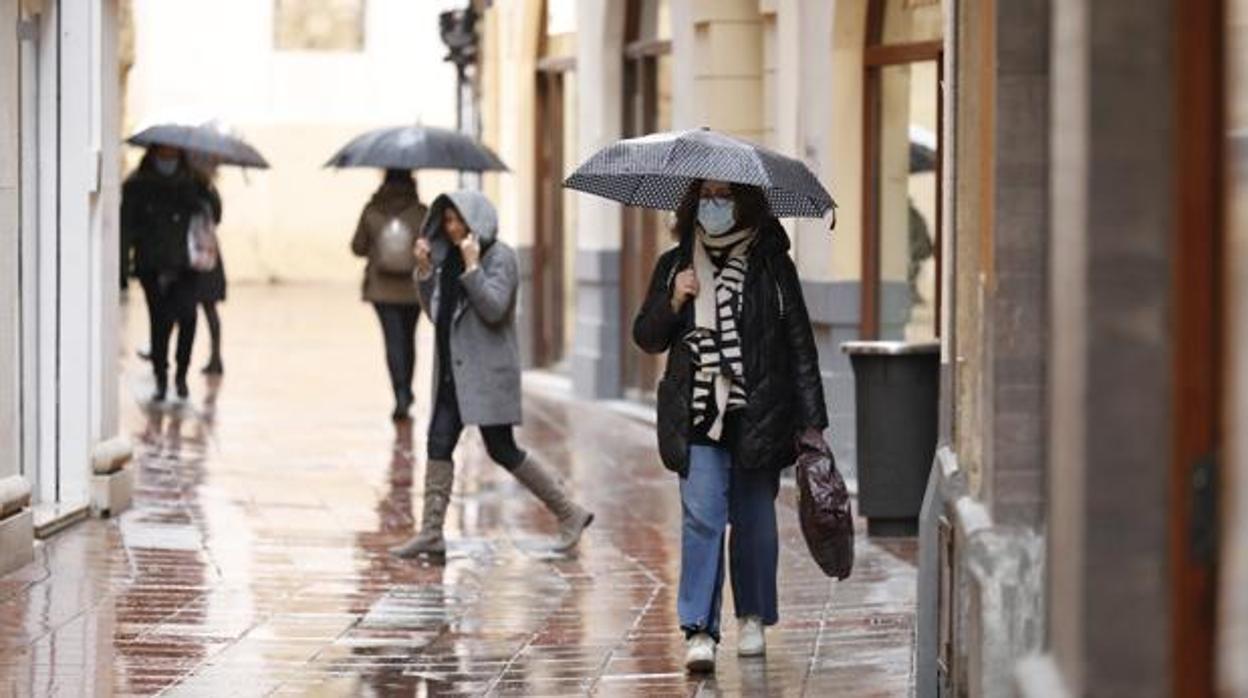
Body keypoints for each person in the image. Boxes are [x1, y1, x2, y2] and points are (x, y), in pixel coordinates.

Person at [632, 179, 828, 673]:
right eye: (706, 196)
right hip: (696, 416)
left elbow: (800, 345)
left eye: (724, 197)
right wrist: (673, 300)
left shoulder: (772, 265)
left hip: (758, 412)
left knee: (755, 522)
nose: (713, 206)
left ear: (745, 203)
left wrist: (812, 424)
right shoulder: (674, 264)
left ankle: (753, 616)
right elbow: (647, 338)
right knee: (702, 518)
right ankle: (698, 629)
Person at [390, 190, 594, 558]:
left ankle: (569, 511)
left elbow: (495, 308)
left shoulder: (502, 258)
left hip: (486, 374)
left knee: (502, 449)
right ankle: (432, 532)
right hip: (452, 372)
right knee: (438, 444)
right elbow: (438, 315)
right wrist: (424, 273)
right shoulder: (447, 259)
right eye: (447, 221)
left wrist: (473, 268)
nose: (452, 228)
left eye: (459, 221)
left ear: (476, 221)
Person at [121, 146, 216, 402]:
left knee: (188, 318)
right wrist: (122, 269)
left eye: (173, 150)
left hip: (186, 264)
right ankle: (161, 377)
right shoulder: (138, 183)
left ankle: (181, 375)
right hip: (152, 263)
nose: (168, 153)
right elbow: (127, 227)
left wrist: (206, 187)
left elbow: (215, 214)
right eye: (163, 149)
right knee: (159, 322)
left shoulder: (194, 181)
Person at [351, 170, 427, 421]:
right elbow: (432, 249)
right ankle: (407, 389)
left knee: (392, 341)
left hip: (381, 289)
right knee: (408, 339)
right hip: (413, 288)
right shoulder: (421, 213)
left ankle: (400, 394)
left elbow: (357, 247)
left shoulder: (372, 210)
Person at [187, 154, 225, 375]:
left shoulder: (200, 190)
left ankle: (216, 357)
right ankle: (216, 356)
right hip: (209, 253)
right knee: (208, 310)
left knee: (199, 309)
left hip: (199, 253)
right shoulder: (210, 191)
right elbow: (218, 217)